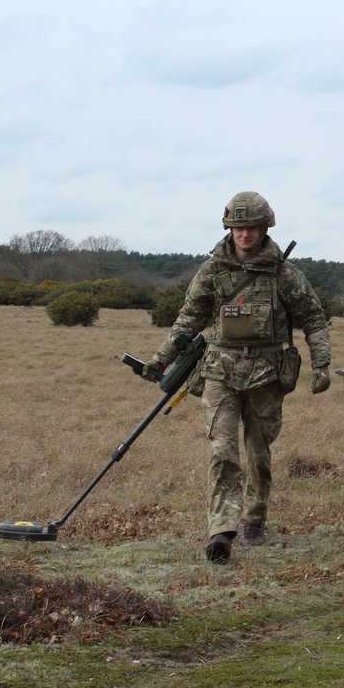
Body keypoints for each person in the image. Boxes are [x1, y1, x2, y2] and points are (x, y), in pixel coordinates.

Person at [141, 191, 332, 564]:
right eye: (238, 227)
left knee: (258, 454)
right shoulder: (212, 271)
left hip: (267, 375)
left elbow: (314, 318)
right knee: (222, 450)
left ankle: (254, 519)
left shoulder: (283, 273)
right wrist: (160, 359)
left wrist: (321, 363)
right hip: (219, 371)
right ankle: (221, 532)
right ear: (229, 228)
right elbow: (189, 318)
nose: (244, 234)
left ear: (264, 228)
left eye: (252, 227)